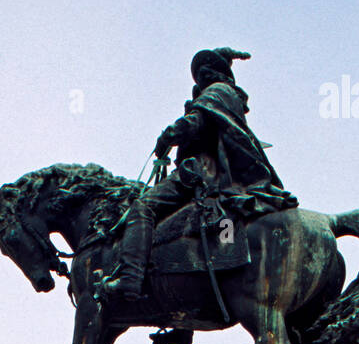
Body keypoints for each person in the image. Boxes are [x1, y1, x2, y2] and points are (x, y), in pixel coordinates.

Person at [96, 47, 298, 304]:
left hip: (200, 172)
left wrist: (168, 136)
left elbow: (194, 123)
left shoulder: (216, 93)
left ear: (211, 73)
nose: (199, 78)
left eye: (202, 72)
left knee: (142, 207)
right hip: (213, 173)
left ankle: (130, 278)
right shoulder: (228, 96)